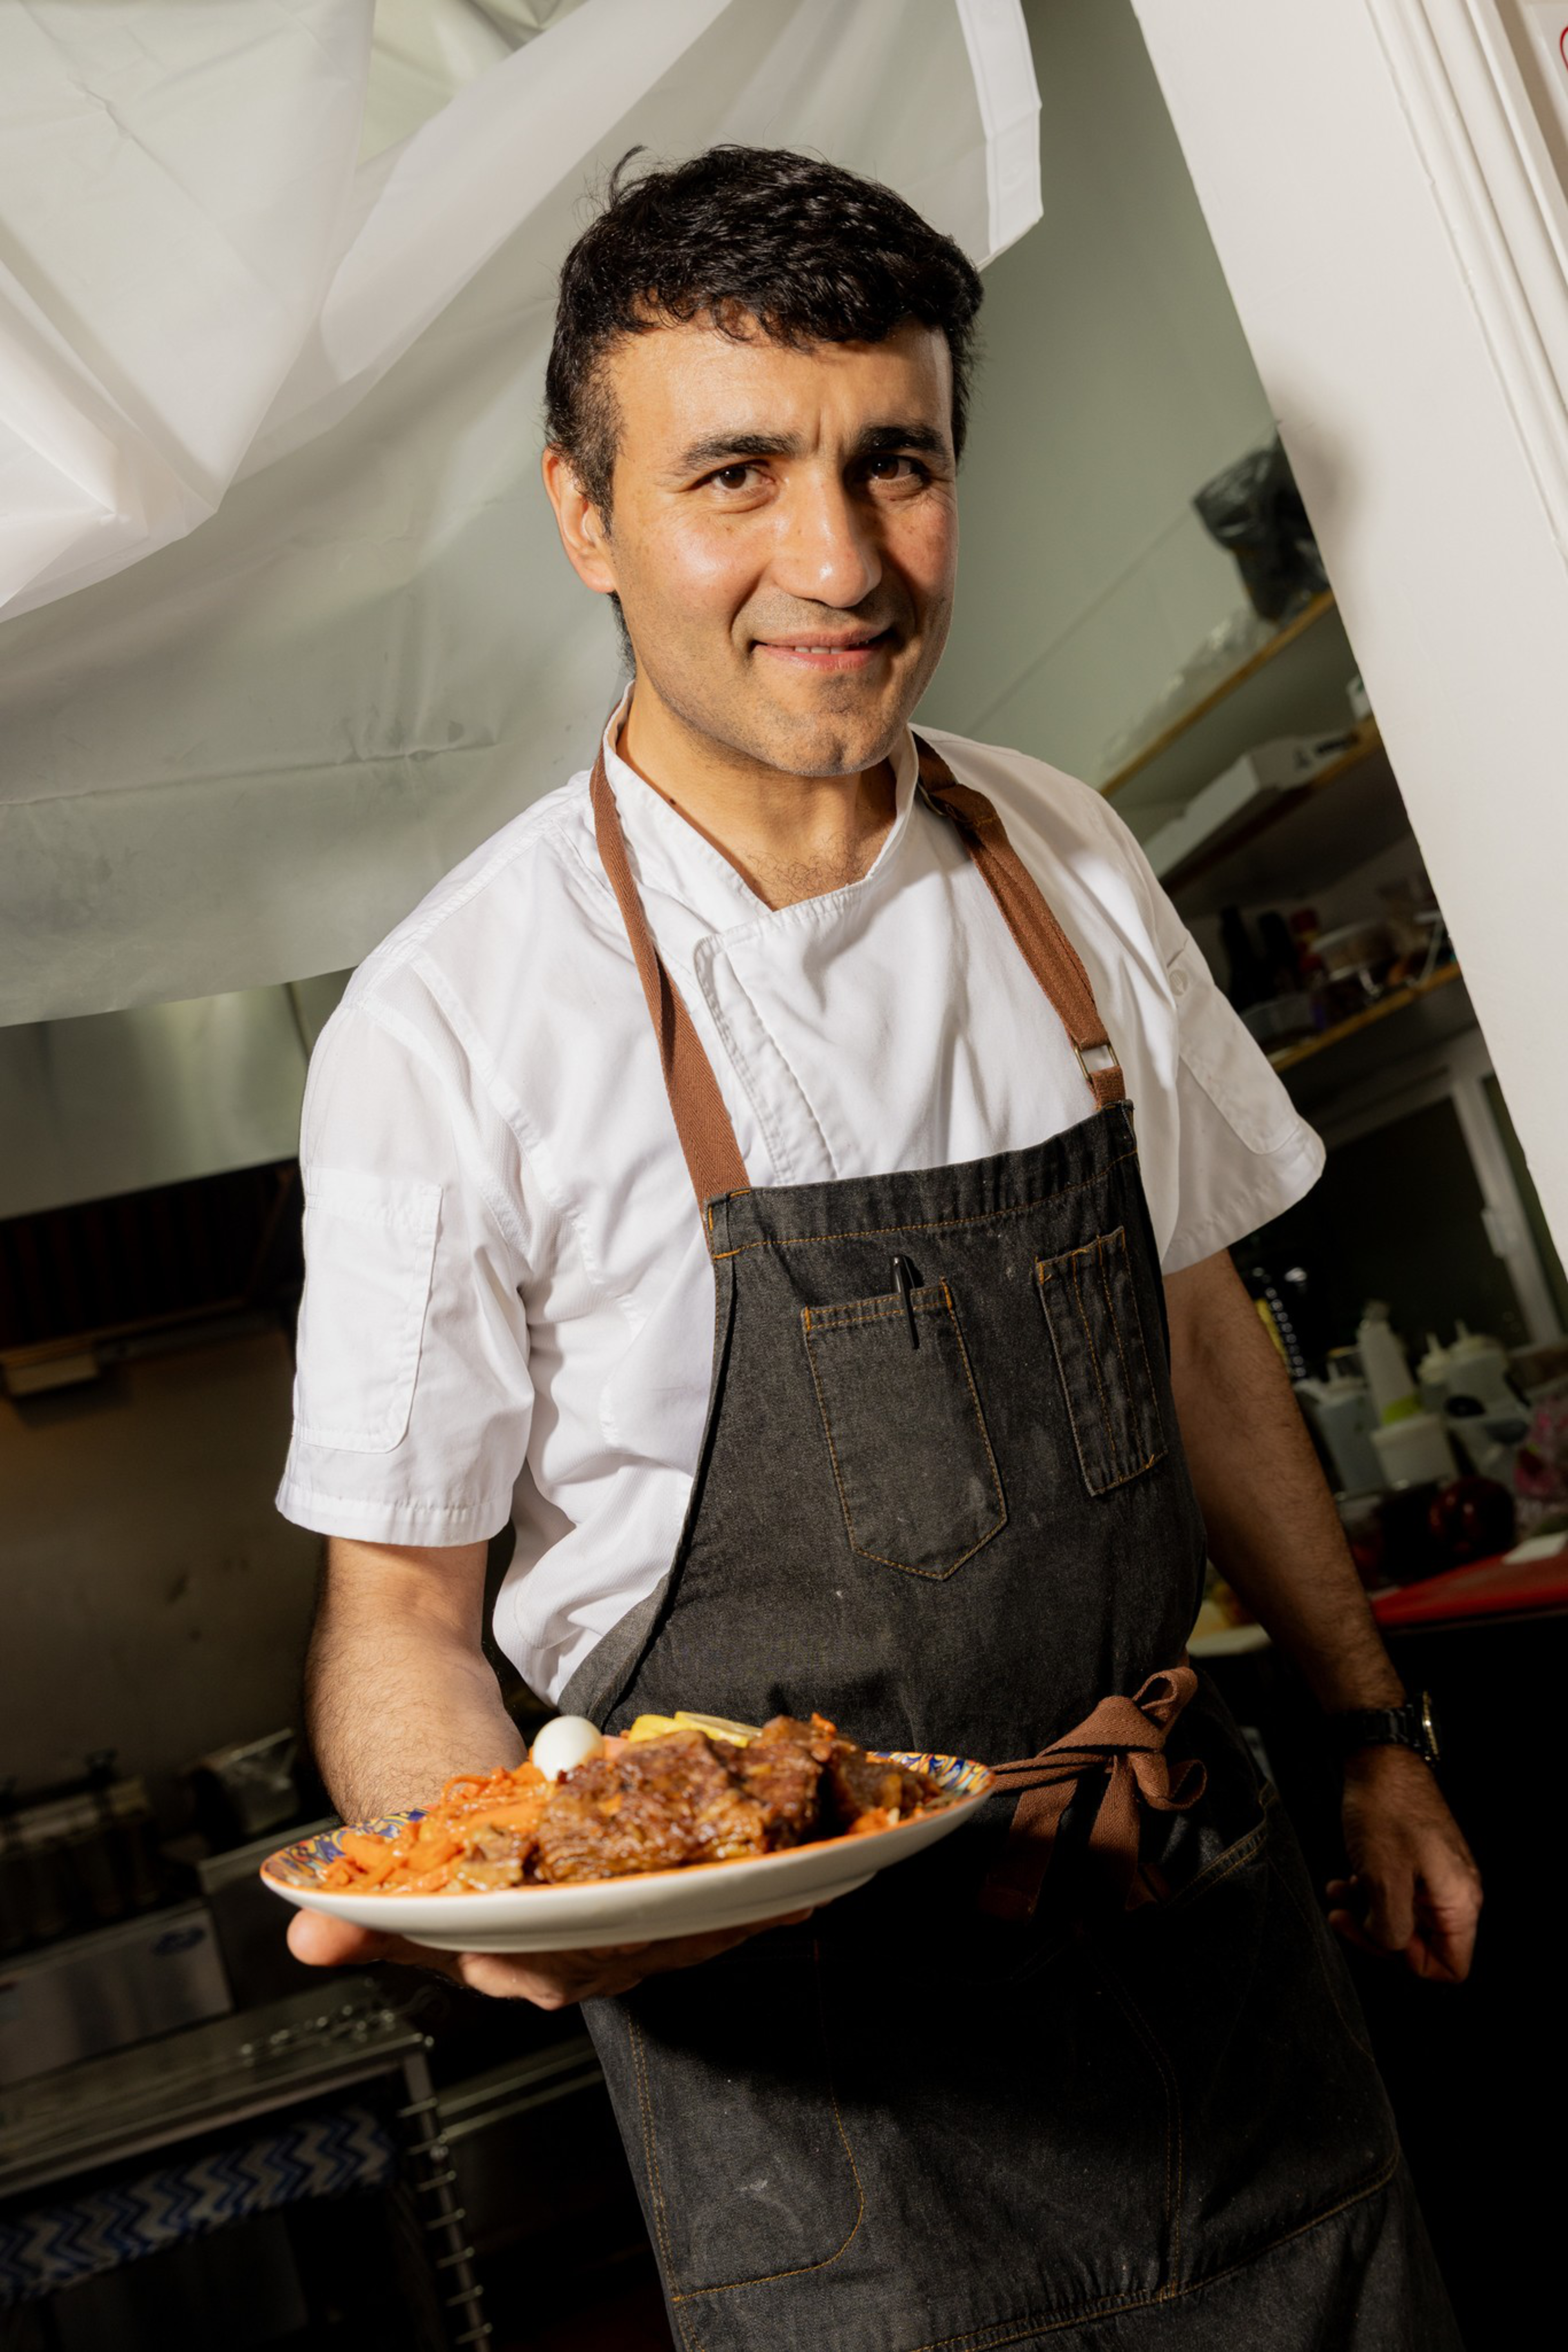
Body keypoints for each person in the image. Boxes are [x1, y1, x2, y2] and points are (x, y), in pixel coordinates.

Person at [279, 146, 1478, 2348]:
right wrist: (493, 1871)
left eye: (892, 463)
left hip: (1213, 1960)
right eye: (734, 473)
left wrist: (1372, 1728)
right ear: (583, 514)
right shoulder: (446, 1031)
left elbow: (1200, 1333)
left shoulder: (1066, 858)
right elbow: (398, 1616)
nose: (834, 562)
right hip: (824, 2092)